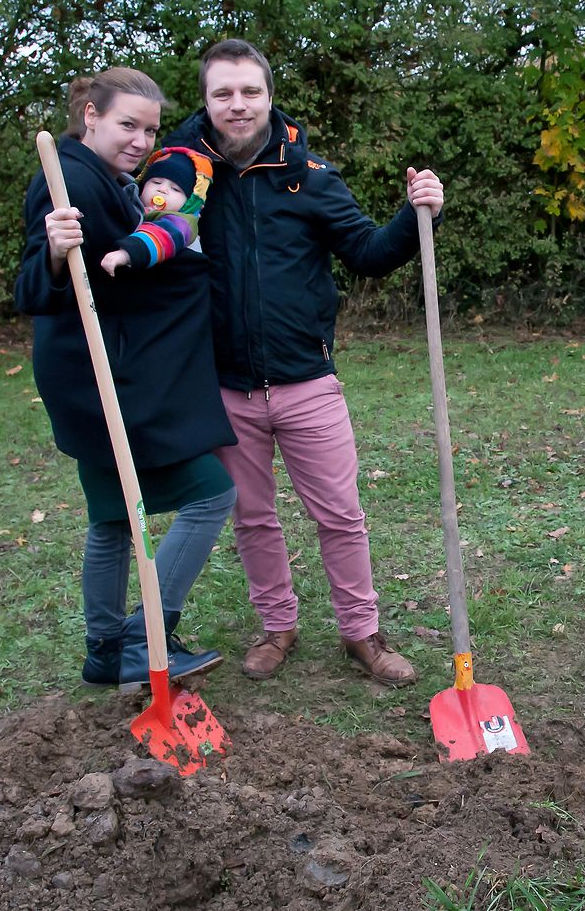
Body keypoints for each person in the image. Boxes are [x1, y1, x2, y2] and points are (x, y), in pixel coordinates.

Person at [166, 39, 445, 687]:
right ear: (205, 100)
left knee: (341, 516)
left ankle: (363, 634)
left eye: (250, 92)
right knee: (253, 517)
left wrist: (415, 214)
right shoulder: (181, 179)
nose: (238, 105)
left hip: (307, 382)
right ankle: (277, 627)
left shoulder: (310, 177)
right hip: (227, 388)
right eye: (223, 93)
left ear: (269, 95)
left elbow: (370, 253)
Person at [15, 68, 237, 690]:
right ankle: (144, 637)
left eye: (150, 130)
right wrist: (56, 252)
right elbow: (33, 287)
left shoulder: (109, 178)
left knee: (112, 518)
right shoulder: (68, 178)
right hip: (100, 379)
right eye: (127, 125)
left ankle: (108, 652)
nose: (141, 141)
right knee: (211, 494)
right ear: (89, 114)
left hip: (102, 374)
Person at [100, 146, 213, 275]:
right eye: (156, 182)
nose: (162, 189)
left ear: (189, 202)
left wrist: (126, 254)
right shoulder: (128, 201)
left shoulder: (183, 223)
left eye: (176, 189)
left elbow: (161, 237)